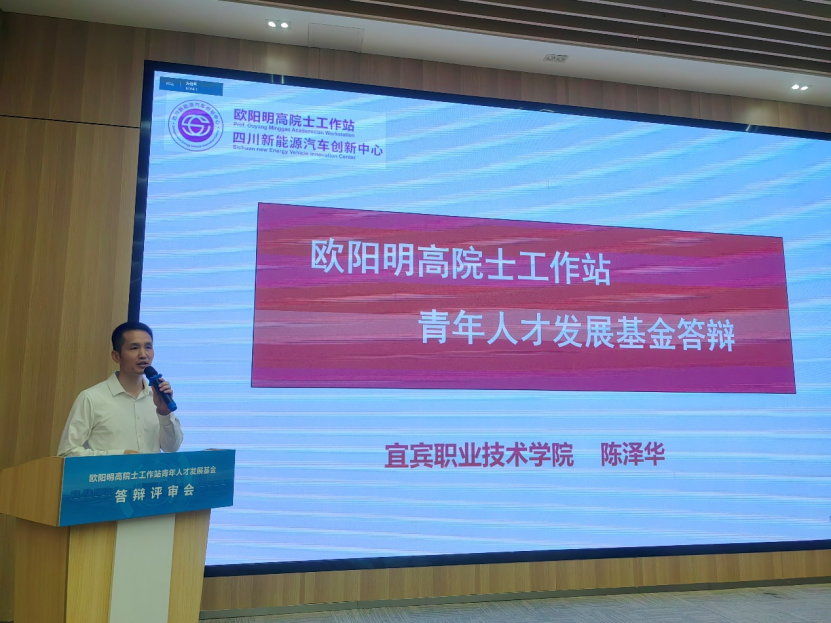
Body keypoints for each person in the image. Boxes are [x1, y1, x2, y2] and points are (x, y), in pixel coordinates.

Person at [57, 321, 183, 456]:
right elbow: (67, 452)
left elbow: (171, 448)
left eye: (148, 347)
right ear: (116, 356)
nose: (143, 354)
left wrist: (164, 413)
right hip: (109, 470)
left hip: (152, 471)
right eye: (134, 348)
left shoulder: (158, 398)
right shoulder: (91, 398)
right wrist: (119, 457)